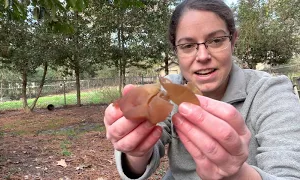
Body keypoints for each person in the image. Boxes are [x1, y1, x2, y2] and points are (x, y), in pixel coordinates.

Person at [104, 0, 300, 179]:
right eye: (188, 45)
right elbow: (144, 156)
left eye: (216, 41)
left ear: (233, 40)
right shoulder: (167, 92)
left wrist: (237, 174)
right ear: (176, 51)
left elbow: (289, 172)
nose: (203, 56)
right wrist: (134, 149)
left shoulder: (271, 92)